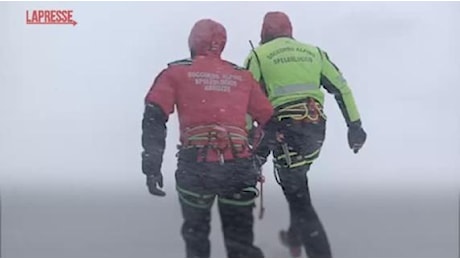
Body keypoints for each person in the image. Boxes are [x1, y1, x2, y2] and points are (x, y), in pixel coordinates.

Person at [141, 19, 274, 258]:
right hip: (239, 169)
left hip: (197, 167)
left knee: (197, 239)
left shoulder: (176, 72)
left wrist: (152, 165)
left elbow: (154, 115)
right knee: (241, 244)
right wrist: (257, 159)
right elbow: (271, 123)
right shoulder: (242, 77)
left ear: (193, 41)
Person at [244, 11, 367, 258]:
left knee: (300, 200)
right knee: (297, 182)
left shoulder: (258, 55)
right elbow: (341, 88)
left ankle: (318, 251)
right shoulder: (314, 53)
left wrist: (248, 136)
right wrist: (355, 126)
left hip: (283, 134)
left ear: (263, 33)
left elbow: (245, 98)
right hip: (314, 132)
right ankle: (294, 237)